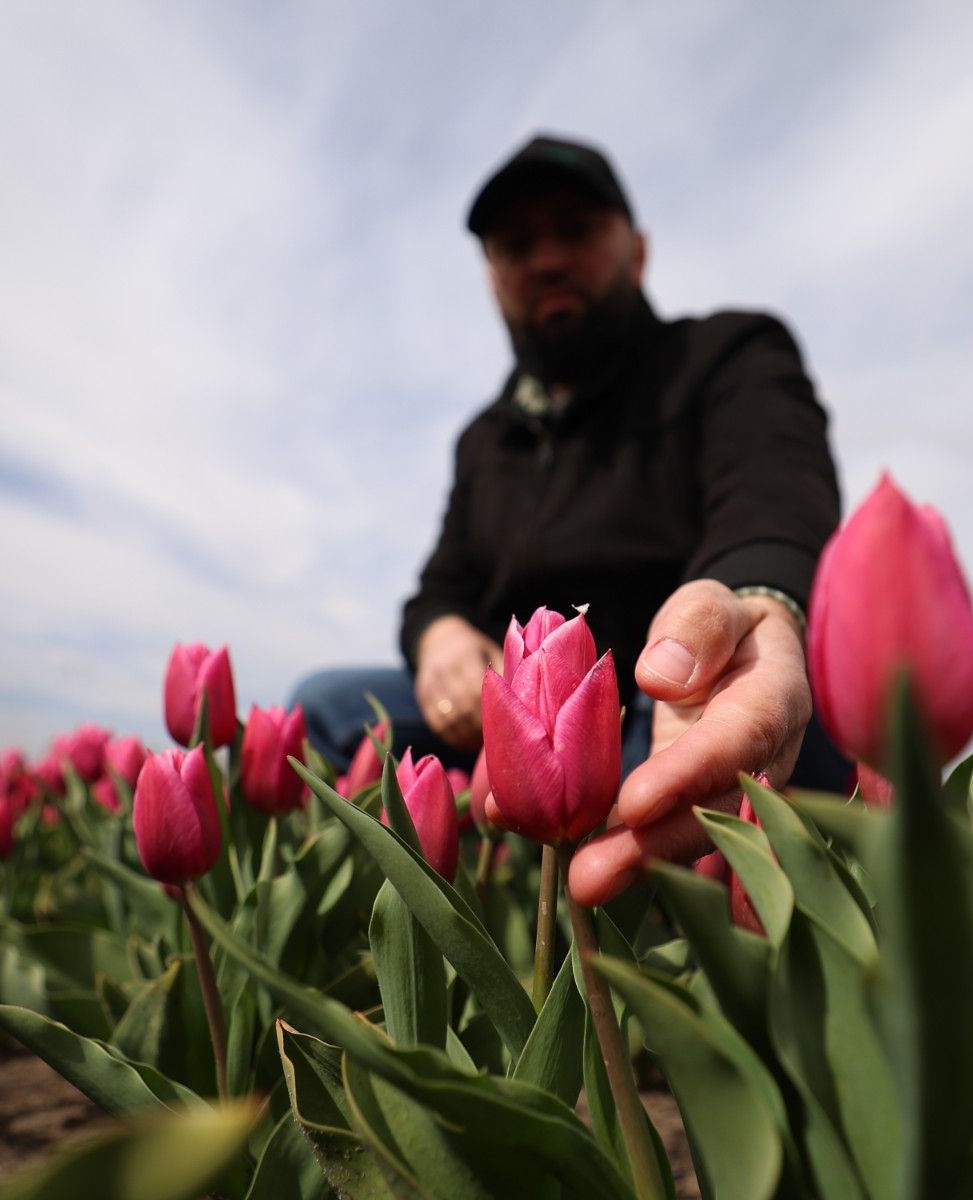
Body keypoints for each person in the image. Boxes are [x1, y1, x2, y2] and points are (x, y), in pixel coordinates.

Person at [291, 134, 843, 906]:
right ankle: (416, 913)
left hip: (674, 692)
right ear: (493, 281)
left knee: (750, 711)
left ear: (638, 252)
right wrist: (440, 639)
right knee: (321, 703)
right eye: (517, 246)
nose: (547, 260)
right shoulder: (487, 440)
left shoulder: (724, 356)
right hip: (513, 715)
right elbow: (443, 583)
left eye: (576, 231)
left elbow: (775, 492)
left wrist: (756, 599)